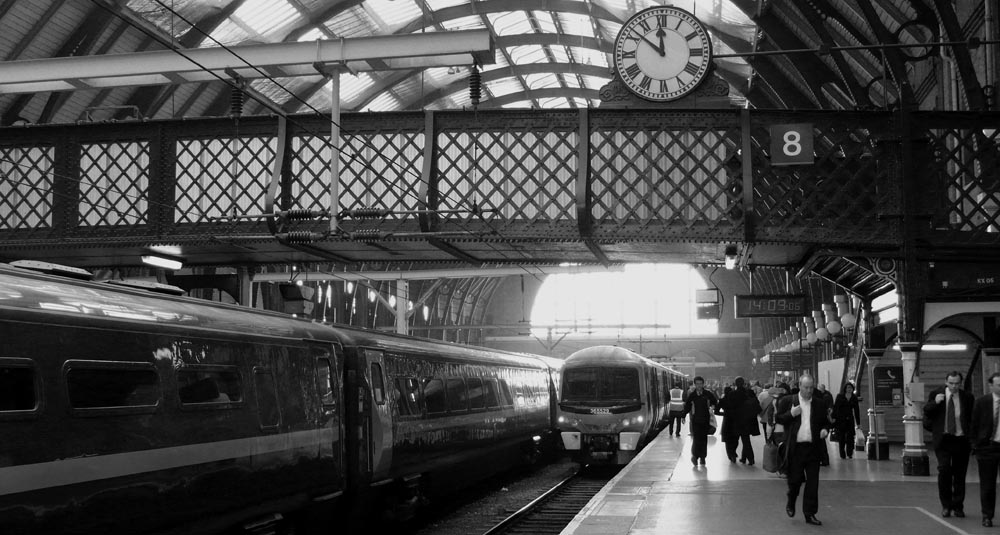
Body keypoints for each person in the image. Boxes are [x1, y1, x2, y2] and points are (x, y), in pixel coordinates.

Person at [776, 374, 830, 526]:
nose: (809, 391)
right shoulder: (788, 401)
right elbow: (778, 418)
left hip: (813, 448)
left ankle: (810, 513)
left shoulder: (819, 404)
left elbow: (826, 423)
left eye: (811, 387)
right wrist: (791, 414)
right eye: (806, 387)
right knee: (795, 481)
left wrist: (825, 430)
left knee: (813, 483)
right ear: (799, 386)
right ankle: (791, 500)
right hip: (795, 449)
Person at [923, 371, 974, 518]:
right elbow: (927, 411)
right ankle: (946, 505)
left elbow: (971, 417)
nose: (954, 386)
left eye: (957, 383)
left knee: (960, 475)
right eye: (951, 383)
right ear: (946, 382)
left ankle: (958, 506)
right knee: (944, 471)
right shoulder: (936, 394)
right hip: (943, 440)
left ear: (961, 383)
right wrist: (935, 402)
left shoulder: (967, 397)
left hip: (961, 440)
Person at [971, 372, 1000, 527]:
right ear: (991, 386)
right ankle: (987, 516)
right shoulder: (982, 402)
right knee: (988, 485)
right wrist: (975, 445)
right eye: (999, 385)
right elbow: (974, 424)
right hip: (988, 448)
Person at [684, 376, 719, 466]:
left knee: (703, 439)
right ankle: (695, 456)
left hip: (705, 420)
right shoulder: (692, 395)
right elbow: (687, 406)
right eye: (697, 384)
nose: (699, 386)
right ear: (695, 384)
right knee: (696, 439)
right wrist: (683, 415)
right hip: (695, 420)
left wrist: (713, 406)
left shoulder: (708, 394)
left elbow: (715, 402)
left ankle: (703, 457)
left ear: (703, 384)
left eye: (700, 384)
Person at [718, 378, 747, 463]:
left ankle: (731, 454)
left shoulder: (723, 400)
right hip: (736, 421)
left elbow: (716, 410)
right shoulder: (738, 396)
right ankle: (733, 453)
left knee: (727, 440)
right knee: (735, 439)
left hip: (727, 422)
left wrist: (724, 414)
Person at [832, 382, 862, 460]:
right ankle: (842, 454)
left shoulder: (854, 397)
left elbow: (856, 410)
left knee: (850, 437)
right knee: (841, 437)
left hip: (850, 419)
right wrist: (833, 418)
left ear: (853, 389)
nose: (849, 389)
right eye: (848, 388)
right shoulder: (840, 396)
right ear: (845, 388)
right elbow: (835, 408)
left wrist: (858, 423)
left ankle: (849, 453)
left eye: (851, 388)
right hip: (840, 419)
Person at [738, 380, 762, 465]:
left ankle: (751, 458)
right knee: (746, 440)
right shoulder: (753, 398)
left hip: (743, 422)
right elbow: (759, 409)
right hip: (752, 422)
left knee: (746, 441)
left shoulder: (742, 398)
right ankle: (743, 458)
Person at [816, 384, 835, 466]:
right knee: (822, 444)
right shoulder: (826, 397)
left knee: (820, 444)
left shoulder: (822, 400)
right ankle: (824, 460)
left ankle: (823, 460)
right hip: (822, 425)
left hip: (819, 425)